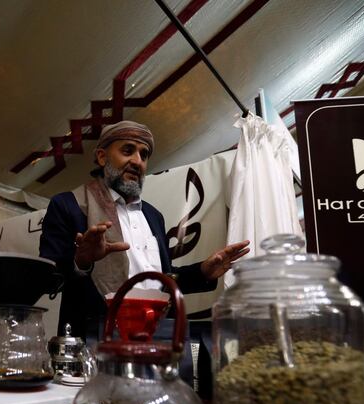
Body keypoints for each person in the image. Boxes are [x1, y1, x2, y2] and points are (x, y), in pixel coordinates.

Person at [40, 120, 249, 338]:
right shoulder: (68, 205)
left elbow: (161, 280)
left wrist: (203, 271)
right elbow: (47, 279)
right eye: (128, 151)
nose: (137, 161)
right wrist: (80, 261)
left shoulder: (153, 216)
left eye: (144, 154)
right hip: (95, 341)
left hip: (157, 337)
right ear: (102, 157)